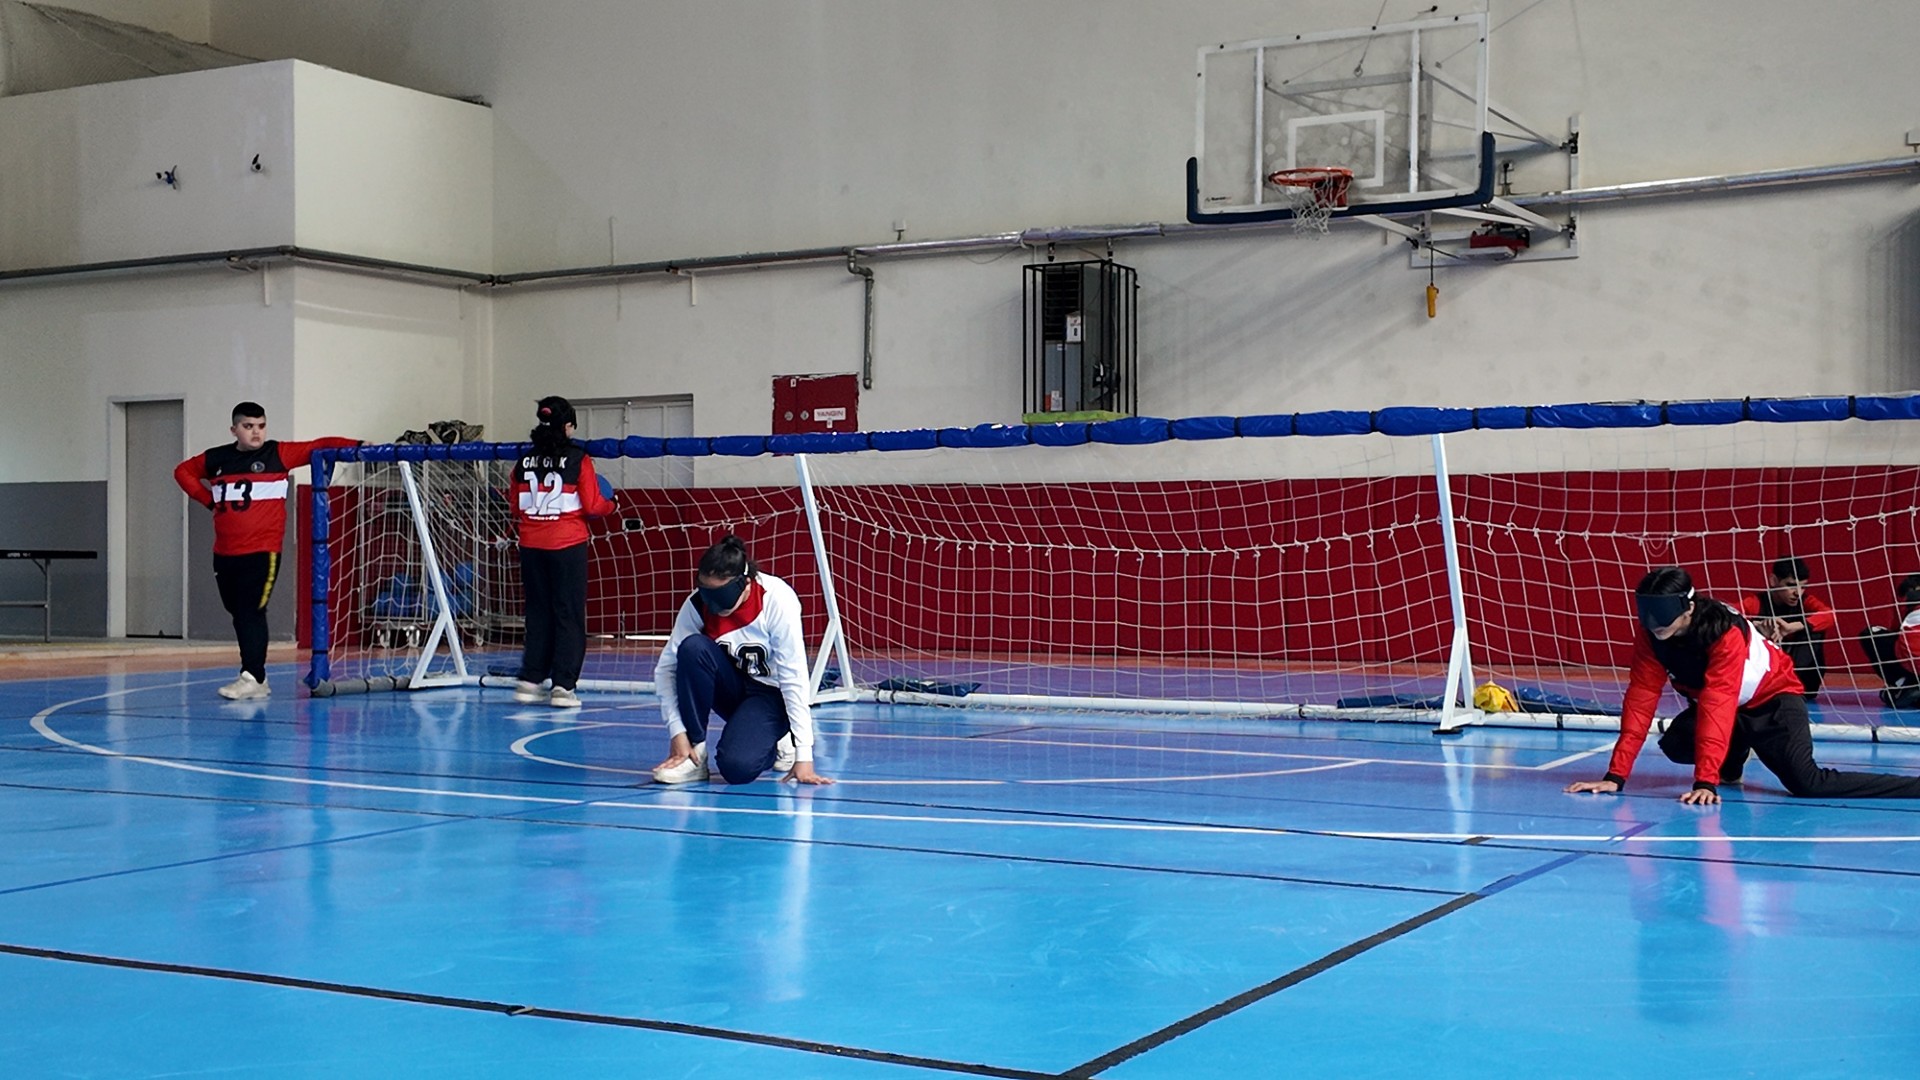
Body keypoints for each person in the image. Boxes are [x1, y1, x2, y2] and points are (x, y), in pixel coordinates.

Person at [1567, 566, 1920, 804]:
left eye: (1662, 615)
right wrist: (1615, 776)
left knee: (1807, 784)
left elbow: (1718, 704)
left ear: (1688, 608)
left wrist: (1705, 782)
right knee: (1676, 743)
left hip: (1773, 701)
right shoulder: (1652, 634)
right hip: (1726, 708)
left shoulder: (1723, 633)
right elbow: (1641, 698)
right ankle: (1732, 760)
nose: (1653, 623)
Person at [173, 402, 358, 699]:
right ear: (235, 430)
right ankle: (257, 679)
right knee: (237, 612)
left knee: (251, 611)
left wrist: (362, 447)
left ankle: (253, 677)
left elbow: (320, 445)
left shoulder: (277, 453)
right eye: (248, 426)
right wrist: (207, 499)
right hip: (224, 551)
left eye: (260, 426)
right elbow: (182, 471)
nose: (256, 432)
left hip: (262, 551)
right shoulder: (217, 458)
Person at [651, 534, 832, 786]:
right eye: (707, 595)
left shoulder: (776, 600)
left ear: (744, 584)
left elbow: (795, 677)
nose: (713, 606)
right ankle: (694, 755)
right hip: (732, 687)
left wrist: (804, 754)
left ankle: (778, 738)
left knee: (736, 769)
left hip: (770, 696)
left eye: (721, 596)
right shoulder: (697, 604)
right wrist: (677, 731)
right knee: (693, 648)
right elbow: (666, 669)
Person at [510, 396, 613, 708]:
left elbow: (515, 505)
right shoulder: (577, 458)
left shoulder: (523, 461)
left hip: (530, 545)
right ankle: (563, 687)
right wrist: (613, 504)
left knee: (538, 613)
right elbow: (594, 505)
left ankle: (530, 680)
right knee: (568, 615)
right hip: (567, 545)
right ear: (569, 426)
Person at [1738, 555, 1835, 699]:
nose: (1798, 593)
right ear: (1774, 581)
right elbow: (1728, 615)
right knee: (1739, 629)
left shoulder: (1806, 602)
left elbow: (1829, 615)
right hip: (1765, 678)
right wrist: (1755, 626)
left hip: (1803, 681)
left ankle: (1789, 683)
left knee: (1813, 631)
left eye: (1803, 587)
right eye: (1791, 585)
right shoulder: (1756, 603)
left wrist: (1791, 627)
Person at [1858, 573, 1920, 709]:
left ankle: (1903, 685)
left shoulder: (1909, 607)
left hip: (1910, 665)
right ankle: (1907, 686)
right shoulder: (1907, 611)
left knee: (1871, 634)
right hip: (1911, 664)